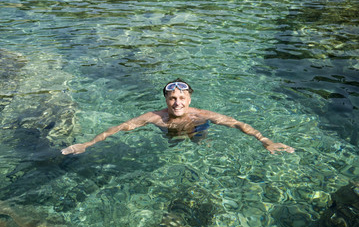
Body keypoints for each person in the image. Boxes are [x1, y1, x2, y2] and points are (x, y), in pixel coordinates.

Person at [61, 78, 295, 155]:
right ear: (166, 100)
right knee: (172, 144)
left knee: (201, 144)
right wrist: (87, 144)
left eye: (182, 98)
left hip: (198, 129)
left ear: (189, 100)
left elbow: (237, 124)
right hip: (168, 133)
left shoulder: (201, 114)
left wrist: (265, 140)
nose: (177, 102)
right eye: (172, 98)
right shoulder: (155, 117)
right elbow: (121, 127)